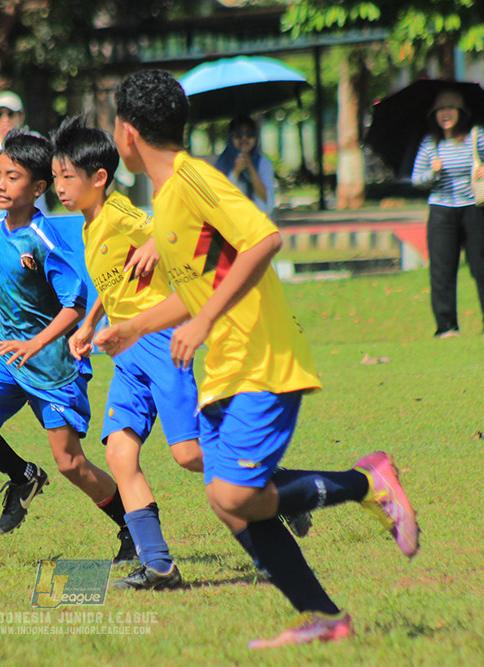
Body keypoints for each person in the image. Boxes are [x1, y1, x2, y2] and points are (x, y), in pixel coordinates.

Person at [97, 69, 420, 649]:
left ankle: (366, 480)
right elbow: (199, 284)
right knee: (231, 504)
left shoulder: (193, 180)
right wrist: (134, 327)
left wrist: (200, 322)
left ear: (126, 134)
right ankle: (326, 617)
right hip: (223, 368)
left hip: (260, 357)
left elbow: (263, 240)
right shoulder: (167, 200)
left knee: (237, 496)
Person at [0, 128, 134, 561]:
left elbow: (74, 304)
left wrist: (35, 344)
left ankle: (131, 526)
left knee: (72, 465)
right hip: (9, 356)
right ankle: (23, 475)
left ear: (39, 187)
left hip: (52, 365)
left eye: (12, 177)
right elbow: (1, 287)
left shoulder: (45, 240)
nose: (0, 185)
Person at [51, 115, 202, 591]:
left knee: (189, 453)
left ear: (99, 178)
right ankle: (157, 563)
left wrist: (159, 239)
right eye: (55, 177)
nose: (58, 187)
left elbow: (180, 227)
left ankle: (276, 486)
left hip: (160, 342)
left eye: (66, 177)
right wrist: (91, 322)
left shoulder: (119, 215)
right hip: (126, 352)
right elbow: (113, 282)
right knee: (119, 452)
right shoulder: (91, 225)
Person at [411, 89, 484, 338]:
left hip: (475, 208)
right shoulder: (430, 144)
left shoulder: (477, 136)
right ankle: (446, 327)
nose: (445, 115)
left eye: (450, 110)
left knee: (482, 267)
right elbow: (416, 179)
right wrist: (432, 172)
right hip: (441, 211)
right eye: (440, 111)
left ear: (461, 113)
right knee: (442, 270)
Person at [0, 91, 48, 217]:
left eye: (10, 114)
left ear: (21, 117)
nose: (5, 120)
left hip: (35, 219)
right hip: (2, 220)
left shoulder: (35, 139)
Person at [214, 115, 276, 217]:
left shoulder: (263, 164)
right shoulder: (222, 164)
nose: (244, 138)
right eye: (238, 134)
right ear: (231, 137)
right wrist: (236, 172)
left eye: (249, 134)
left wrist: (251, 169)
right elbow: (220, 197)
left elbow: (266, 199)